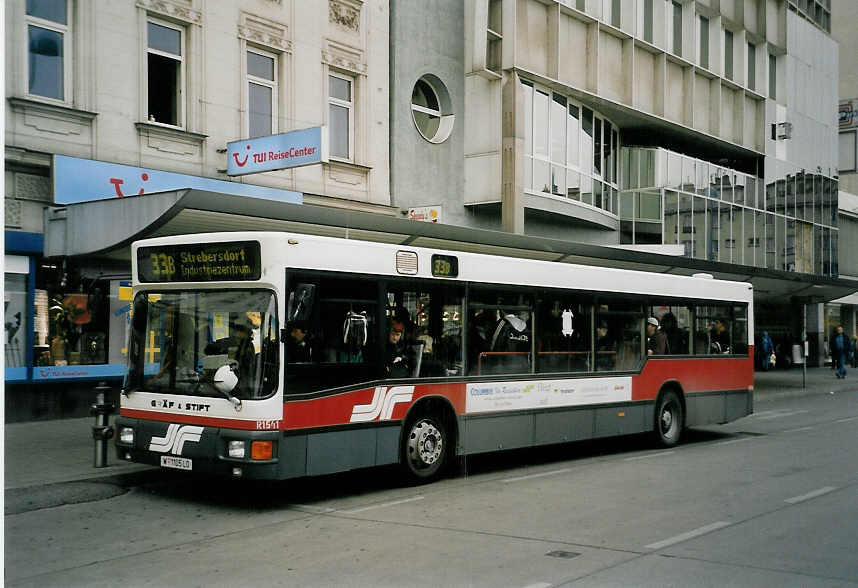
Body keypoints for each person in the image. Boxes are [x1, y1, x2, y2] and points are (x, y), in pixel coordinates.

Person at [205, 314, 256, 393]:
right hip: (219, 381)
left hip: (241, 385)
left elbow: (250, 368)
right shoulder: (226, 342)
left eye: (249, 330)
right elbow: (208, 351)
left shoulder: (249, 346)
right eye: (240, 330)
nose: (250, 333)